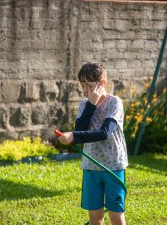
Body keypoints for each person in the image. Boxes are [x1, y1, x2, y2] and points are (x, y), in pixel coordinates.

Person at [58, 61, 128, 225]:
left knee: (116, 215)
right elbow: (81, 128)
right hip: (91, 166)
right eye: (82, 85)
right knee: (95, 217)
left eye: (89, 85)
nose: (85, 90)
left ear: (102, 83)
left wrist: (74, 136)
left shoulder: (114, 103)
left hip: (113, 165)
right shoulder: (84, 104)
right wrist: (91, 103)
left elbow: (104, 133)